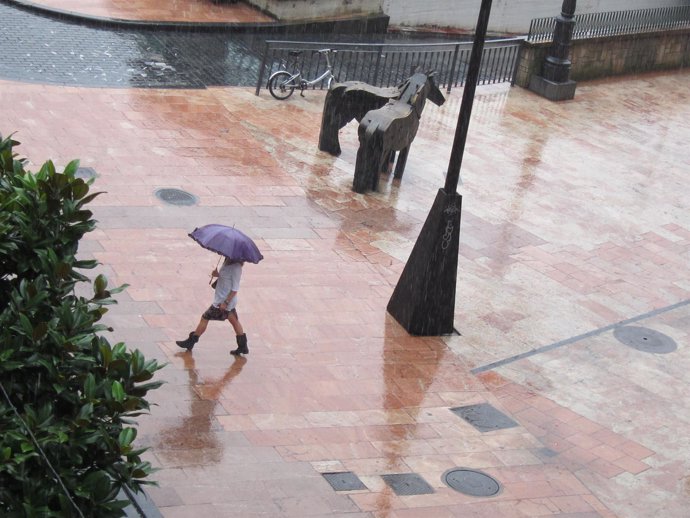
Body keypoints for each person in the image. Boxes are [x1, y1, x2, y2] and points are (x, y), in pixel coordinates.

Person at [176, 257, 248, 355]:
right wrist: (217, 274)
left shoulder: (236, 268)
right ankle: (243, 347)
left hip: (223, 302)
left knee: (205, 317)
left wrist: (226, 303)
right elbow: (225, 278)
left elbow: (235, 289)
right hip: (222, 299)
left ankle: (191, 342)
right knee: (234, 321)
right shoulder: (227, 261)